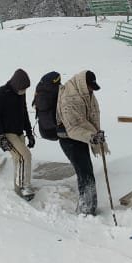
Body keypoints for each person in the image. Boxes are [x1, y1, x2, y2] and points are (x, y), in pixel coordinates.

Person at [56, 70, 106, 216]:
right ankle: (86, 209)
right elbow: (72, 128)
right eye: (90, 87)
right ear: (83, 84)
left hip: (83, 137)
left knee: (87, 171)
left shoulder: (86, 94)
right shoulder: (68, 99)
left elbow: (91, 117)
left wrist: (97, 133)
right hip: (69, 139)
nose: (92, 90)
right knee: (85, 172)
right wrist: (92, 136)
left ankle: (88, 207)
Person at [0, 68, 36, 201]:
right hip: (7, 133)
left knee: (18, 160)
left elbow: (24, 113)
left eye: (25, 89)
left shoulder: (20, 93)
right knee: (25, 156)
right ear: (16, 84)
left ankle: (17, 189)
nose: (24, 91)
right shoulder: (1, 94)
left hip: (19, 132)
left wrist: (29, 133)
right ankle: (24, 186)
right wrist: (1, 137)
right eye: (23, 88)